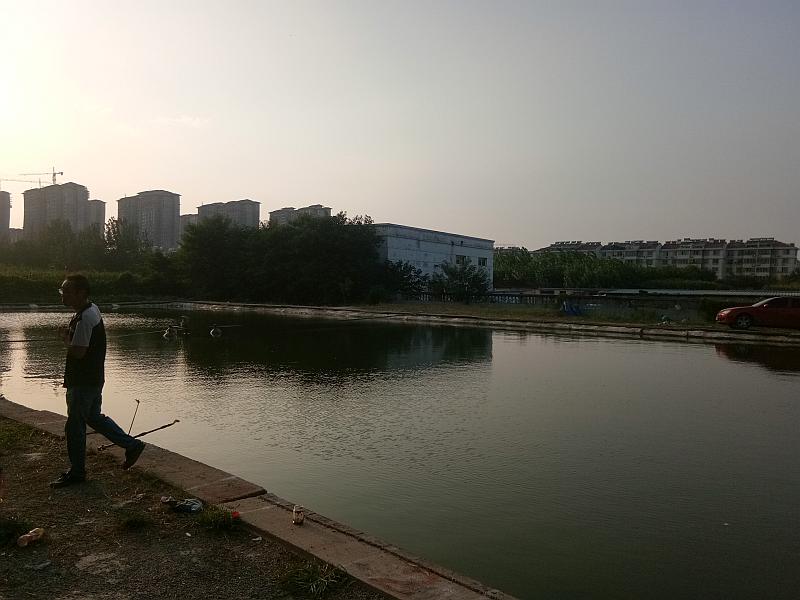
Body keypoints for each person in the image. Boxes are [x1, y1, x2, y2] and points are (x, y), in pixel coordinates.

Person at [50, 274, 145, 488]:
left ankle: (77, 472)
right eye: (62, 291)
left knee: (75, 426)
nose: (63, 295)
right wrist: (71, 335)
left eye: (67, 291)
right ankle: (132, 445)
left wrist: (65, 339)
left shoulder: (85, 318)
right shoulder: (92, 309)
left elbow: (79, 352)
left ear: (81, 293)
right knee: (93, 417)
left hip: (83, 381)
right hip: (94, 378)